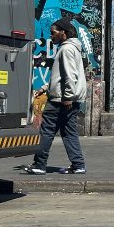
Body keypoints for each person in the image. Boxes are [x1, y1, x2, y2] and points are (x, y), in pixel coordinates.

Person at [23, 18, 87, 174]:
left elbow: (70, 76)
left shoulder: (66, 49)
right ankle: (78, 165)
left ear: (63, 33)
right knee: (69, 132)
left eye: (53, 33)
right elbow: (60, 75)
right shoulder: (73, 48)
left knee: (47, 131)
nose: (51, 36)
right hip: (68, 98)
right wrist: (45, 87)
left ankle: (39, 165)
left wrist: (67, 97)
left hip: (61, 100)